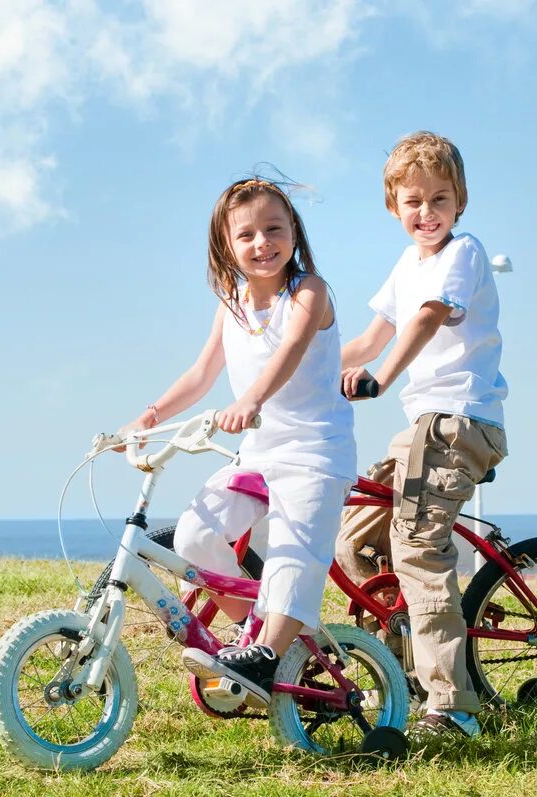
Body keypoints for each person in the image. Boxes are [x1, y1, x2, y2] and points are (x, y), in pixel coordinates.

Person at [117, 177, 356, 708]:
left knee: (297, 548)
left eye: (274, 229)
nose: (261, 243)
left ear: (294, 232)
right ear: (226, 245)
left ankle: (269, 654)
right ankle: (254, 630)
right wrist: (148, 417)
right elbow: (201, 374)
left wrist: (250, 399)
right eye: (246, 234)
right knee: (196, 534)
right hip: (259, 455)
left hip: (315, 452)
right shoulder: (231, 305)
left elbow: (290, 350)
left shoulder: (310, 291)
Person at [338, 131, 508, 739]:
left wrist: (381, 378)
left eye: (440, 199)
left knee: (417, 546)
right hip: (421, 426)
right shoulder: (406, 264)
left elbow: (429, 316)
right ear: (394, 207)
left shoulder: (461, 253)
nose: (427, 213)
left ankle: (454, 704)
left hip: (460, 420)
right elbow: (365, 340)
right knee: (353, 538)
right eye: (414, 201)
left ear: (459, 202)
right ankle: (398, 670)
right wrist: (298, 375)